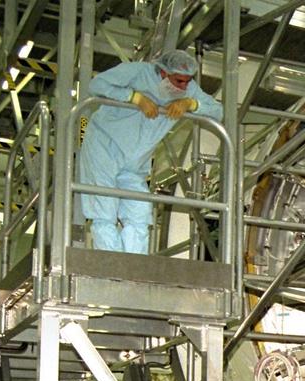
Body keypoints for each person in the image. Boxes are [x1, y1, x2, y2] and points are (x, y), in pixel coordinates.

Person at [77, 48, 222, 253]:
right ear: (163, 73)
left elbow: (218, 110)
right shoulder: (137, 72)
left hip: (136, 162)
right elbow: (97, 84)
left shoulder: (188, 90)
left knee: (140, 214)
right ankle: (109, 265)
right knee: (103, 210)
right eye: (179, 80)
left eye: (188, 81)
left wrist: (192, 103)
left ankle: (133, 269)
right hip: (104, 148)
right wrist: (133, 97)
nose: (184, 86)